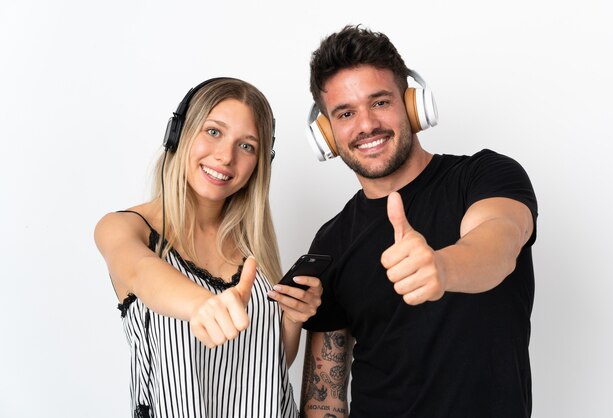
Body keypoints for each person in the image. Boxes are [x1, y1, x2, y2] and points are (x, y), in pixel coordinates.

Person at [299, 25, 537, 418]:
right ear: (326, 133)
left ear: (412, 105)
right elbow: (325, 394)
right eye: (345, 113)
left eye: (380, 102)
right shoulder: (331, 241)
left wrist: (442, 267)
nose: (366, 126)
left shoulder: (486, 176)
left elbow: (499, 243)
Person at [94, 77, 321, 418]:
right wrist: (202, 305)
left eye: (247, 146)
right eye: (213, 131)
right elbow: (140, 270)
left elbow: (265, 368)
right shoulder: (124, 228)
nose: (225, 156)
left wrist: (291, 319)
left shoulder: (254, 247)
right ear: (179, 133)